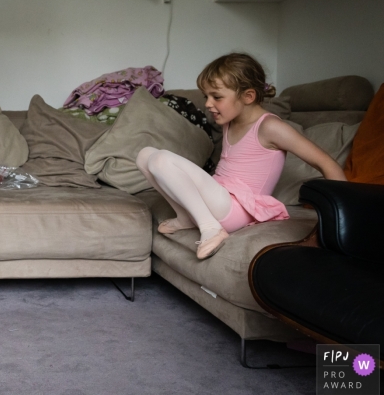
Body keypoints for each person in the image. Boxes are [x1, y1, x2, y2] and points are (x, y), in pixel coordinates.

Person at [136, 53, 346, 260]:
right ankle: (187, 216)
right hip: (218, 198)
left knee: (161, 159)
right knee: (145, 155)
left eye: (216, 97)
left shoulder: (270, 126)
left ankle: (211, 228)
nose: (208, 104)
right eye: (206, 96)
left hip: (238, 209)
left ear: (248, 96)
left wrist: (341, 217)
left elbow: (326, 163)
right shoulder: (229, 121)